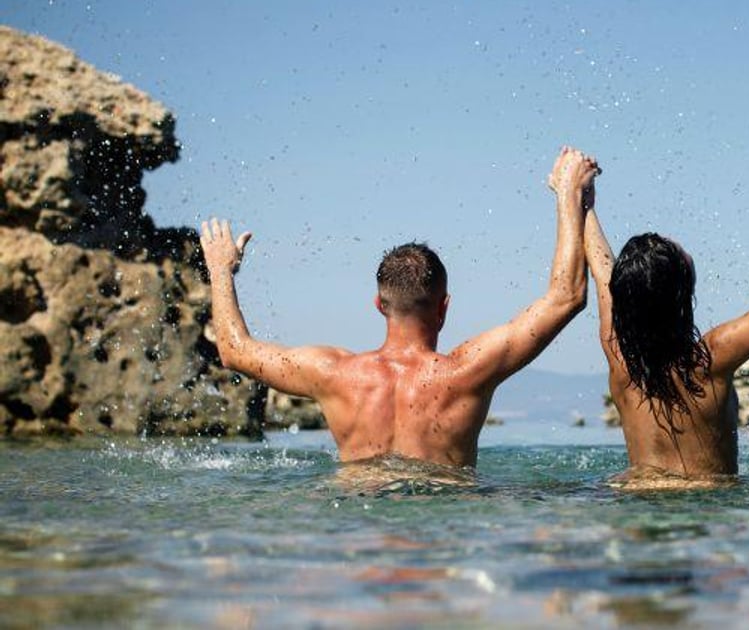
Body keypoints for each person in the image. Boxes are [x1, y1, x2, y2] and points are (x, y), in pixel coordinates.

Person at [199, 147, 600, 466]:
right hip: (443, 529)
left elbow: (235, 351)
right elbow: (566, 297)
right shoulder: (467, 373)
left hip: (360, 532)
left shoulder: (334, 375)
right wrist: (569, 196)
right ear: (444, 307)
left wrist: (220, 268)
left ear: (379, 305)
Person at [583, 101, 749, 483]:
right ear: (683, 291)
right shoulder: (709, 360)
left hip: (634, 505)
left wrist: (584, 206)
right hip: (705, 518)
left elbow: (602, 273)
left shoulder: (621, 359)